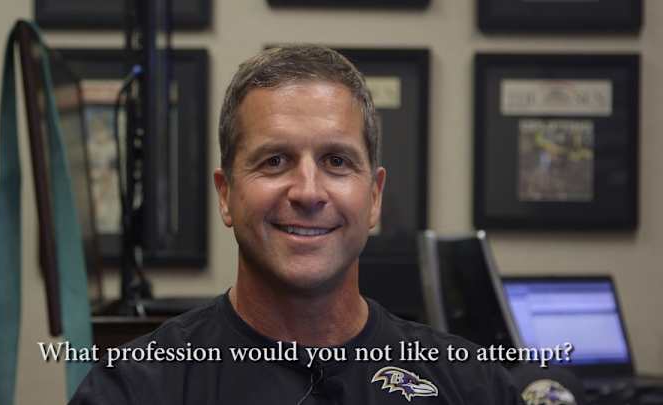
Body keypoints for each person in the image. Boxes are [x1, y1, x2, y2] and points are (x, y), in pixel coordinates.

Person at [70, 45, 523, 404]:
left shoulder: (472, 385)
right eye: (275, 160)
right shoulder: (133, 389)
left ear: (374, 197)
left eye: (336, 161)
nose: (308, 191)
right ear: (226, 195)